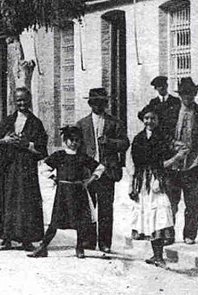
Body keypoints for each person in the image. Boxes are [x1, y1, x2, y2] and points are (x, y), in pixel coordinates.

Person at [29, 126, 105, 259]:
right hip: (63, 193)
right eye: (71, 140)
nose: (74, 143)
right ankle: (43, 247)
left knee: (80, 222)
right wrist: (54, 178)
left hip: (78, 193)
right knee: (55, 222)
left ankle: (79, 248)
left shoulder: (82, 157)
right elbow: (44, 168)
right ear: (65, 141)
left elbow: (100, 168)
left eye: (77, 140)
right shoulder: (59, 155)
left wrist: (89, 181)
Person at [0, 87, 47, 251]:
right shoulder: (8, 120)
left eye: (24, 100)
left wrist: (27, 145)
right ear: (15, 102)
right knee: (7, 201)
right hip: (8, 166)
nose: (22, 103)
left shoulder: (35, 123)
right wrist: (5, 140)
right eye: (18, 100)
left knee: (26, 202)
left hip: (26, 168)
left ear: (29, 101)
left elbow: (42, 149)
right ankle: (7, 238)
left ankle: (26, 239)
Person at [75, 87, 130, 254]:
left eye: (102, 102)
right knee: (88, 207)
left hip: (107, 171)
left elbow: (125, 144)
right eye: (95, 102)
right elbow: (77, 148)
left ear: (106, 104)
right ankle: (89, 240)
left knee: (106, 209)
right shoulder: (82, 124)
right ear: (90, 103)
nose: (98, 105)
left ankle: (105, 243)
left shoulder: (115, 122)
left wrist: (110, 142)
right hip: (88, 172)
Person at [130, 107, 180, 267]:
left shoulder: (163, 138)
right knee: (148, 217)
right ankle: (156, 255)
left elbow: (168, 159)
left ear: (158, 120)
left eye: (153, 118)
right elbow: (134, 164)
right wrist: (132, 186)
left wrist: (177, 157)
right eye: (146, 118)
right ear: (142, 120)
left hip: (159, 181)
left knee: (159, 213)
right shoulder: (138, 138)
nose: (149, 121)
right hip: (143, 182)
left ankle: (159, 256)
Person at [165, 76, 198, 245]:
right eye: (185, 94)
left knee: (193, 203)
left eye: (191, 94)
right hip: (174, 165)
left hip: (194, 165)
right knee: (171, 202)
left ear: (195, 94)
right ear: (180, 95)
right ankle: (168, 234)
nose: (188, 97)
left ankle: (189, 235)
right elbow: (163, 136)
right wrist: (174, 144)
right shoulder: (171, 112)